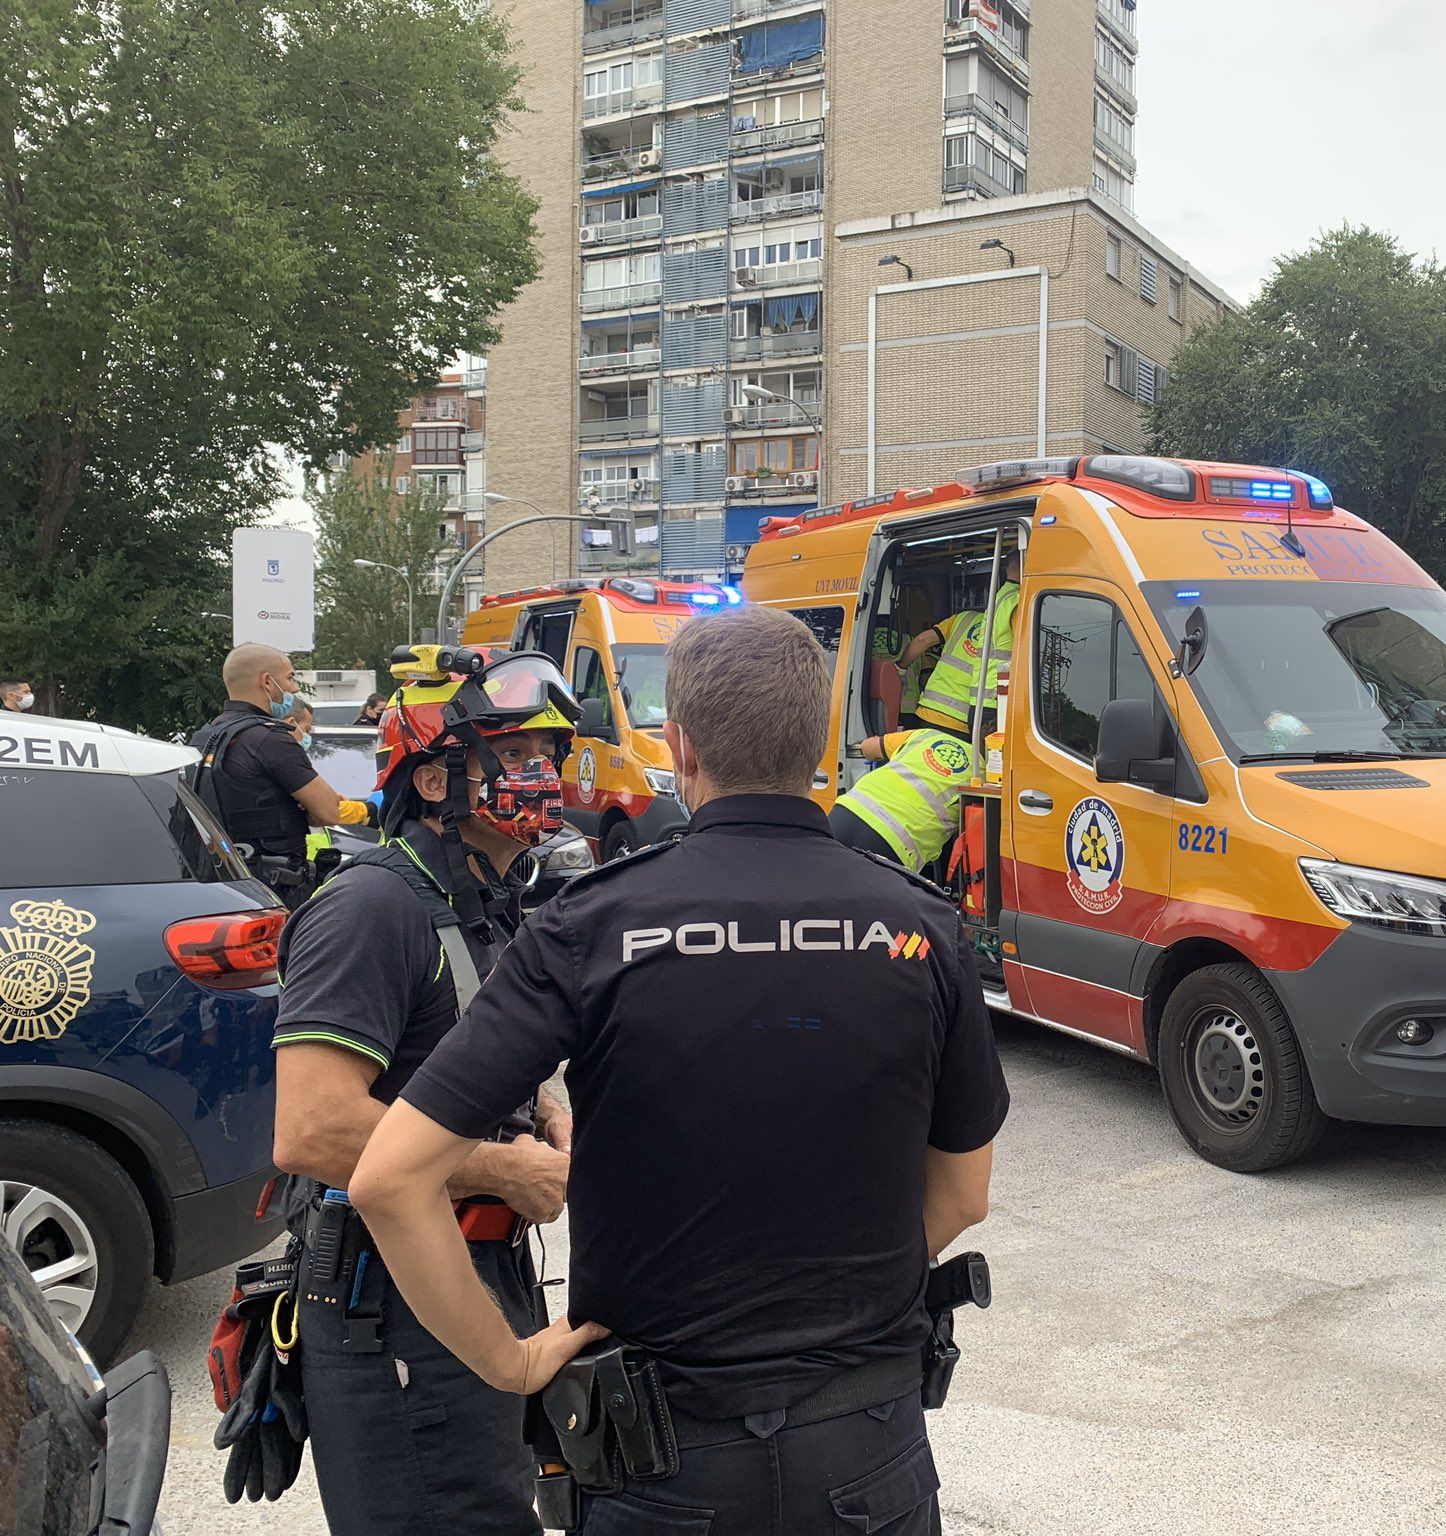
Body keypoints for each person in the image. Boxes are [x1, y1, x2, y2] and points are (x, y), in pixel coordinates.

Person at [349, 604, 1008, 1536]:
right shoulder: (921, 924)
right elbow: (963, 1197)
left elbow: (388, 1178)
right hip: (868, 1450)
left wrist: (510, 1362)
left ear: (679, 744)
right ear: (820, 739)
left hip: (659, 1464)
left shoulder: (589, 925)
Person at [266, 646, 581, 1535]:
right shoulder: (372, 908)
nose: (543, 778)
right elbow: (314, 1128)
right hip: (388, 1301)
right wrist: (499, 1170)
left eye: (549, 758)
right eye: (516, 758)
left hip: (475, 1269)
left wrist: (540, 1108)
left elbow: (450, 1054)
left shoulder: (484, 897)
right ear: (439, 782)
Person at [185, 645, 352, 907]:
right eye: (289, 678)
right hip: (275, 889)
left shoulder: (204, 737)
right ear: (267, 681)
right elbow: (329, 812)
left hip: (219, 886)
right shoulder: (270, 739)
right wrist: (306, 807)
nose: (294, 689)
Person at [899, 545, 1019, 734]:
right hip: (964, 720)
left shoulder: (962, 618)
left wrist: (900, 669)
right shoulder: (1009, 619)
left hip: (929, 711)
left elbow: (922, 640)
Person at [830, 725, 977, 870]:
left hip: (847, 811)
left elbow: (868, 747)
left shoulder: (928, 736)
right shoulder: (983, 775)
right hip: (895, 842)